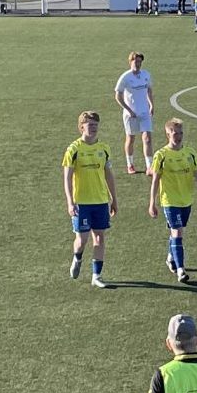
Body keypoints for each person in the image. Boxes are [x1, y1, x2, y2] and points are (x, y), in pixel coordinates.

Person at [149, 118, 197, 284]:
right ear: (167, 134)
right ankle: (181, 270)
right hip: (170, 201)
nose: (178, 137)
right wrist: (152, 202)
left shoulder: (190, 153)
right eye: (175, 133)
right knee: (178, 233)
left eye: (180, 133)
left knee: (175, 232)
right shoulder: (161, 155)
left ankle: (171, 257)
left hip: (187, 200)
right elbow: (155, 180)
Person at [63, 110, 117, 288]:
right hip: (82, 202)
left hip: (100, 201)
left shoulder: (104, 148)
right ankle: (77, 258)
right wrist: (70, 202)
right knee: (82, 240)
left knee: (100, 238)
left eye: (95, 125)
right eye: (90, 125)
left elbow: (109, 174)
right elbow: (67, 177)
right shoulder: (74, 149)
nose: (93, 128)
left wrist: (113, 198)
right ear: (81, 127)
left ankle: (96, 275)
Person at [114, 52, 155, 176]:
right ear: (130, 62)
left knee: (147, 139)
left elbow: (149, 90)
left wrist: (151, 105)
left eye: (139, 62)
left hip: (144, 112)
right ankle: (130, 164)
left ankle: (149, 166)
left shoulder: (146, 75)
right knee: (131, 138)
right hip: (130, 114)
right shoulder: (125, 77)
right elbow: (118, 95)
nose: (138, 64)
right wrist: (128, 110)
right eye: (135, 61)